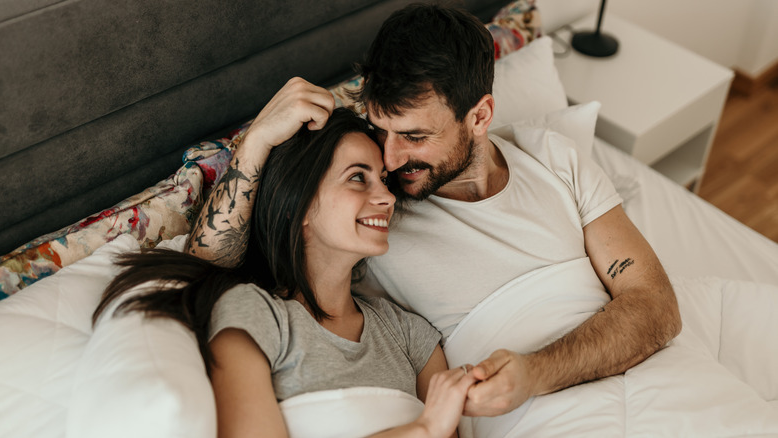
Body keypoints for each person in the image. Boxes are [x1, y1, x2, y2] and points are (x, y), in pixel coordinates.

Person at [186, 3, 682, 420]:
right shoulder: (372, 214)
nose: (391, 158)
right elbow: (204, 274)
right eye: (381, 130)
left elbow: (657, 306)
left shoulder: (553, 158)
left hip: (666, 388)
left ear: (481, 116)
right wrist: (253, 145)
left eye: (416, 137)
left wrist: (537, 372)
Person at [94, 108, 478, 438]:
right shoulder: (256, 315)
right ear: (300, 206)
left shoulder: (409, 334)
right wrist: (424, 429)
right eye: (358, 177)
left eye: (383, 179)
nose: (387, 196)